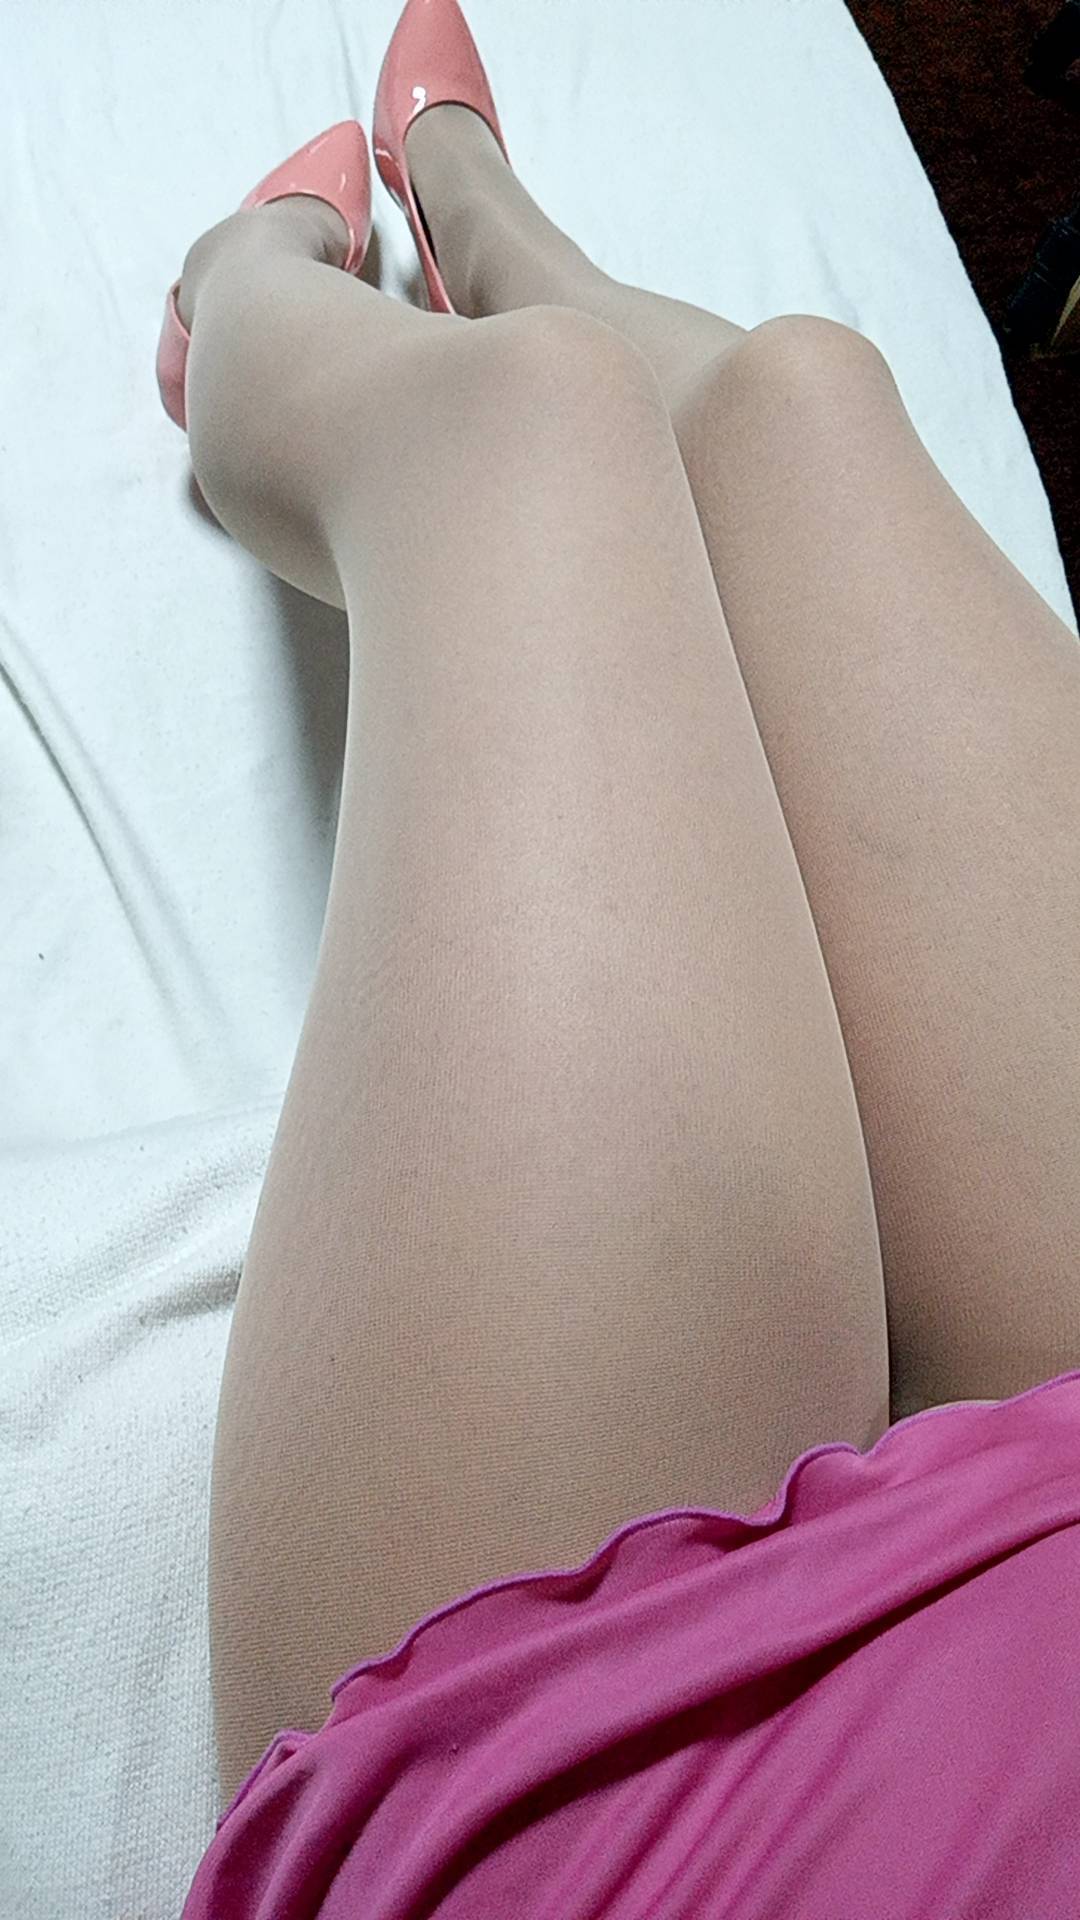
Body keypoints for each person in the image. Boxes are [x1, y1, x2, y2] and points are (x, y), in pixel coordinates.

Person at [173, 2, 1080, 1912]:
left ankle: (247, 302)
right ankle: (501, 234)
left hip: (680, 1802)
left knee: (529, 429)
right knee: (809, 392)